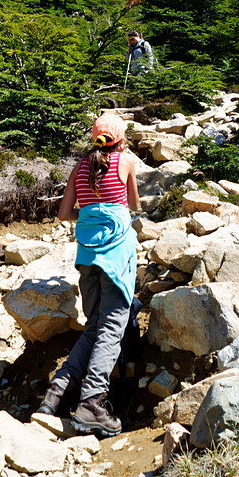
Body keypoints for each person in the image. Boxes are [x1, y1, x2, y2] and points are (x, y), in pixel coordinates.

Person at [38, 112, 140, 437]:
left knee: (94, 327)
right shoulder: (124, 161)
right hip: (116, 257)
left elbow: (64, 213)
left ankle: (55, 394)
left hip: (87, 259)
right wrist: (111, 206)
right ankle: (93, 402)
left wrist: (92, 210)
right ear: (120, 139)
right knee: (112, 329)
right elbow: (134, 205)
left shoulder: (80, 167)